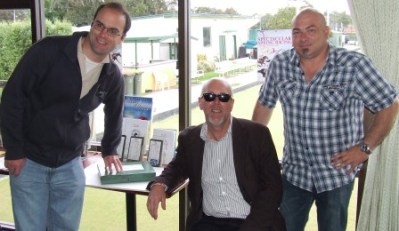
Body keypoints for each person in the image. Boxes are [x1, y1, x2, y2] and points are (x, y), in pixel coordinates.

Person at [252, 8, 399, 231]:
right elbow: (265, 104)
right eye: (296, 32)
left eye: (311, 30)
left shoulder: (353, 65)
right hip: (294, 174)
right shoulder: (280, 65)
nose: (303, 38)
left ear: (326, 32)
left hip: (335, 176)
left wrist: (364, 149)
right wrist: (252, 150)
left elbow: (389, 104)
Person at [0, 2, 131, 230]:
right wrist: (14, 149)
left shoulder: (112, 75)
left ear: (122, 38)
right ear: (92, 25)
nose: (103, 34)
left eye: (113, 31)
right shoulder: (49, 51)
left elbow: (114, 112)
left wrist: (110, 149)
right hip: (28, 161)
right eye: (99, 25)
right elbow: (13, 97)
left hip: (70, 165)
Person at [146, 78, 286, 231]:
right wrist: (159, 185)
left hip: (252, 222)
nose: (216, 103)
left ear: (231, 104)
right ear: (201, 103)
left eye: (224, 97)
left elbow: (273, 188)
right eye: (210, 97)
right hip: (208, 223)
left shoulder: (257, 135)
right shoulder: (190, 139)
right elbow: (176, 167)